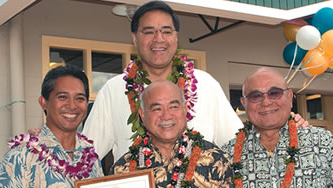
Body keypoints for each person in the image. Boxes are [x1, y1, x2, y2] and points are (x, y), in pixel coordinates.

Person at [83, 0, 243, 163]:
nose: (158, 39)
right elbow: (85, 157)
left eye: (166, 31)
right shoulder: (113, 90)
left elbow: (238, 148)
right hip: (138, 187)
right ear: (135, 38)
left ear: (176, 36)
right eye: (149, 32)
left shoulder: (206, 85)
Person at [110, 80, 241, 188]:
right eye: (156, 109)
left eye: (173, 106)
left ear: (185, 109)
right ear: (142, 114)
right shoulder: (123, 168)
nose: (166, 116)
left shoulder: (213, 158)